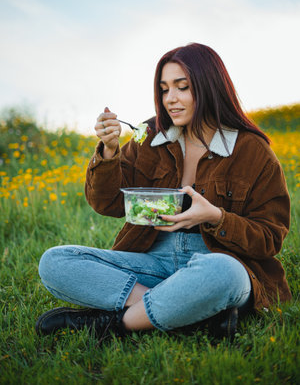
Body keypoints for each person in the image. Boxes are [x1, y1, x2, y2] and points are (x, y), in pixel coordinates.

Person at [35, 43, 292, 341]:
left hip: (216, 259)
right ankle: (190, 307)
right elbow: (108, 203)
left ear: (210, 87)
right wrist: (109, 151)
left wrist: (216, 217)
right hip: (152, 261)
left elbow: (270, 238)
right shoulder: (151, 137)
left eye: (182, 88)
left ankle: (117, 323)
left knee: (224, 274)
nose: (171, 99)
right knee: (55, 263)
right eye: (164, 89)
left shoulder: (253, 151)